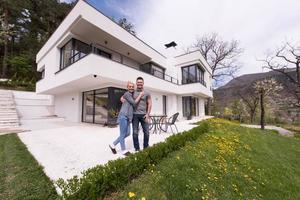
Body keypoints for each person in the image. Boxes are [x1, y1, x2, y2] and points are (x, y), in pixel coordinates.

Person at [109, 81, 144, 156]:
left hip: (128, 118)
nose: (131, 87)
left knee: (128, 133)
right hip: (123, 116)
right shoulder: (127, 94)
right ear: (127, 87)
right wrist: (140, 95)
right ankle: (123, 150)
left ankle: (113, 144)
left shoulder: (131, 94)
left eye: (132, 86)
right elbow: (134, 103)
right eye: (129, 86)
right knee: (122, 134)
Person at [131, 77, 152, 151]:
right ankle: (137, 149)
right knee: (135, 133)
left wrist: (148, 114)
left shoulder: (147, 92)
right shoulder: (132, 92)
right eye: (138, 82)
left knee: (146, 132)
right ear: (136, 83)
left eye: (141, 82)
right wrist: (122, 98)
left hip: (144, 115)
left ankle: (145, 147)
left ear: (143, 83)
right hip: (135, 115)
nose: (139, 83)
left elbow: (149, 103)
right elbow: (126, 96)